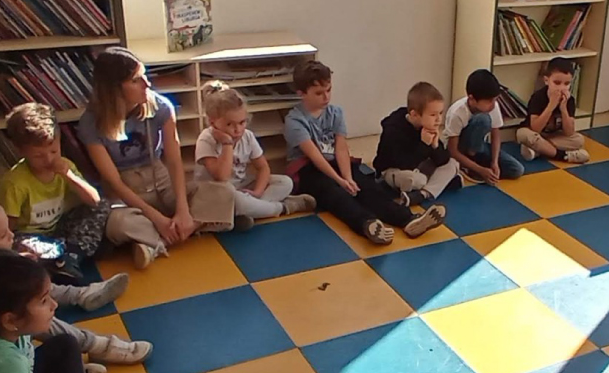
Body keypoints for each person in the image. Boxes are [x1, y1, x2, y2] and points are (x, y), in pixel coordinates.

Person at [0, 195, 152, 367]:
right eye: (3, 235)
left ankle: (82, 295)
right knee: (36, 313)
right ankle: (98, 345)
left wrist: (21, 261)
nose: (12, 236)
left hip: (7, 334)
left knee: (37, 291)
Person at [79, 46, 230, 270]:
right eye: (135, 80)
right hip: (127, 195)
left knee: (224, 191)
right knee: (116, 223)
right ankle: (167, 234)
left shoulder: (160, 107)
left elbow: (174, 161)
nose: (146, 85)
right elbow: (114, 183)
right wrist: (157, 219)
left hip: (161, 183)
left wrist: (183, 209)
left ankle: (161, 237)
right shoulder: (91, 123)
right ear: (115, 89)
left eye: (145, 76)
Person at [285, 60, 445, 246]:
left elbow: (341, 147)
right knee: (335, 195)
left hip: (337, 162)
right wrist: (340, 181)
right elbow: (315, 156)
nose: (326, 97)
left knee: (366, 186)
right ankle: (367, 224)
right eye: (319, 93)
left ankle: (408, 219)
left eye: (329, 90)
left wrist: (347, 177)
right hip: (309, 169)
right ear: (301, 94)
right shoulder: (294, 121)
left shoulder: (335, 112)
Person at [0, 102, 122, 288]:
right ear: (21, 151)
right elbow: (9, 228)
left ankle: (68, 258)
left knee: (102, 205)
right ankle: (61, 263)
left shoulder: (65, 165)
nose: (49, 159)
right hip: (30, 236)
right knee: (23, 250)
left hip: (58, 229)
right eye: (38, 156)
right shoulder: (15, 183)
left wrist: (69, 176)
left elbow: (94, 200)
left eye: (54, 151)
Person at [195, 80, 317, 226]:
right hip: (216, 194)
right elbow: (221, 176)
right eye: (229, 124)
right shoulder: (206, 140)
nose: (238, 130)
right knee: (235, 197)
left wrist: (258, 192)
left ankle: (251, 211)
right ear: (212, 122)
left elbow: (263, 168)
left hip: (241, 187)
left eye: (242, 122)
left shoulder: (247, 136)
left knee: (285, 182)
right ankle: (284, 207)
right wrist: (227, 144)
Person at [374, 81, 461, 206]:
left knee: (452, 165)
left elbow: (443, 160)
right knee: (416, 180)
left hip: (418, 166)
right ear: (414, 114)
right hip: (393, 170)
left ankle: (422, 195)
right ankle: (439, 184)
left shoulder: (427, 125)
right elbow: (403, 164)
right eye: (433, 115)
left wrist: (435, 145)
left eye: (440, 113)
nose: (438, 120)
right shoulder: (394, 129)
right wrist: (424, 144)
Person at [445, 69, 523, 184]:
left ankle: (475, 167)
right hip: (461, 150)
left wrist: (494, 162)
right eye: (489, 101)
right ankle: (468, 165)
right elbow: (452, 151)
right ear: (472, 99)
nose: (493, 104)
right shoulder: (457, 113)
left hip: (480, 147)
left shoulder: (493, 106)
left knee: (517, 170)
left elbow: (496, 135)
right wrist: (480, 170)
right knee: (483, 119)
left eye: (495, 100)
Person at [516, 57, 590, 165]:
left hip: (554, 136)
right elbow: (535, 128)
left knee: (578, 140)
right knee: (522, 134)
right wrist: (551, 105)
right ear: (546, 80)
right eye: (557, 82)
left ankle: (538, 151)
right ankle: (564, 156)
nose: (561, 88)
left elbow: (569, 132)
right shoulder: (538, 97)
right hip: (535, 134)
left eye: (566, 84)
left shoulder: (569, 100)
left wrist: (563, 109)